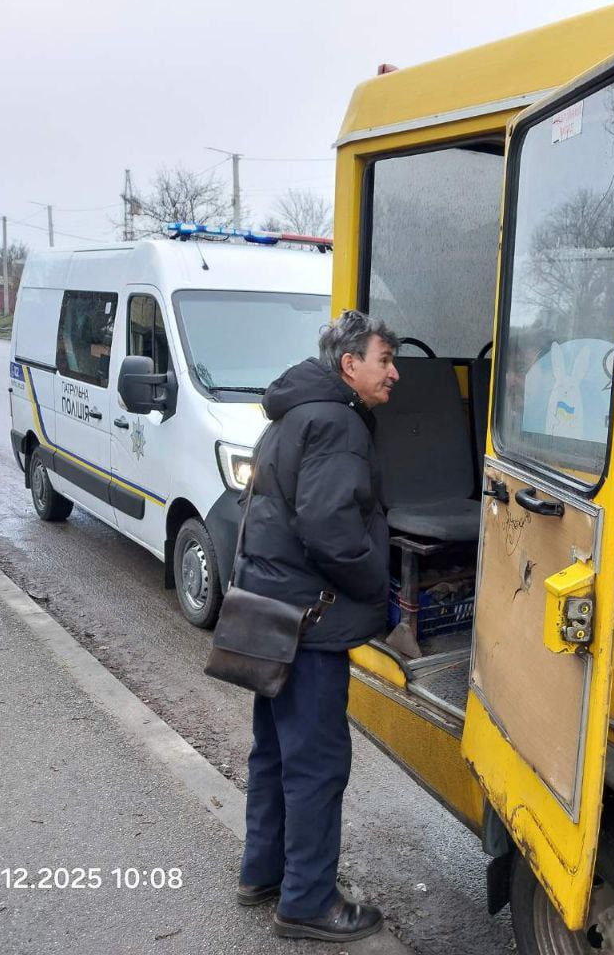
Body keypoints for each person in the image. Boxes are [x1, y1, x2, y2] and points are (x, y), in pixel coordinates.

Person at [234, 309, 400, 943]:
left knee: (275, 751)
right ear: (348, 364)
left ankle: (264, 872)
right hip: (310, 620)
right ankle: (306, 902)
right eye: (384, 360)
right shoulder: (338, 423)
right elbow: (330, 529)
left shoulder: (294, 410)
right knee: (318, 763)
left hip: (270, 609)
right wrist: (377, 587)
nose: (394, 373)